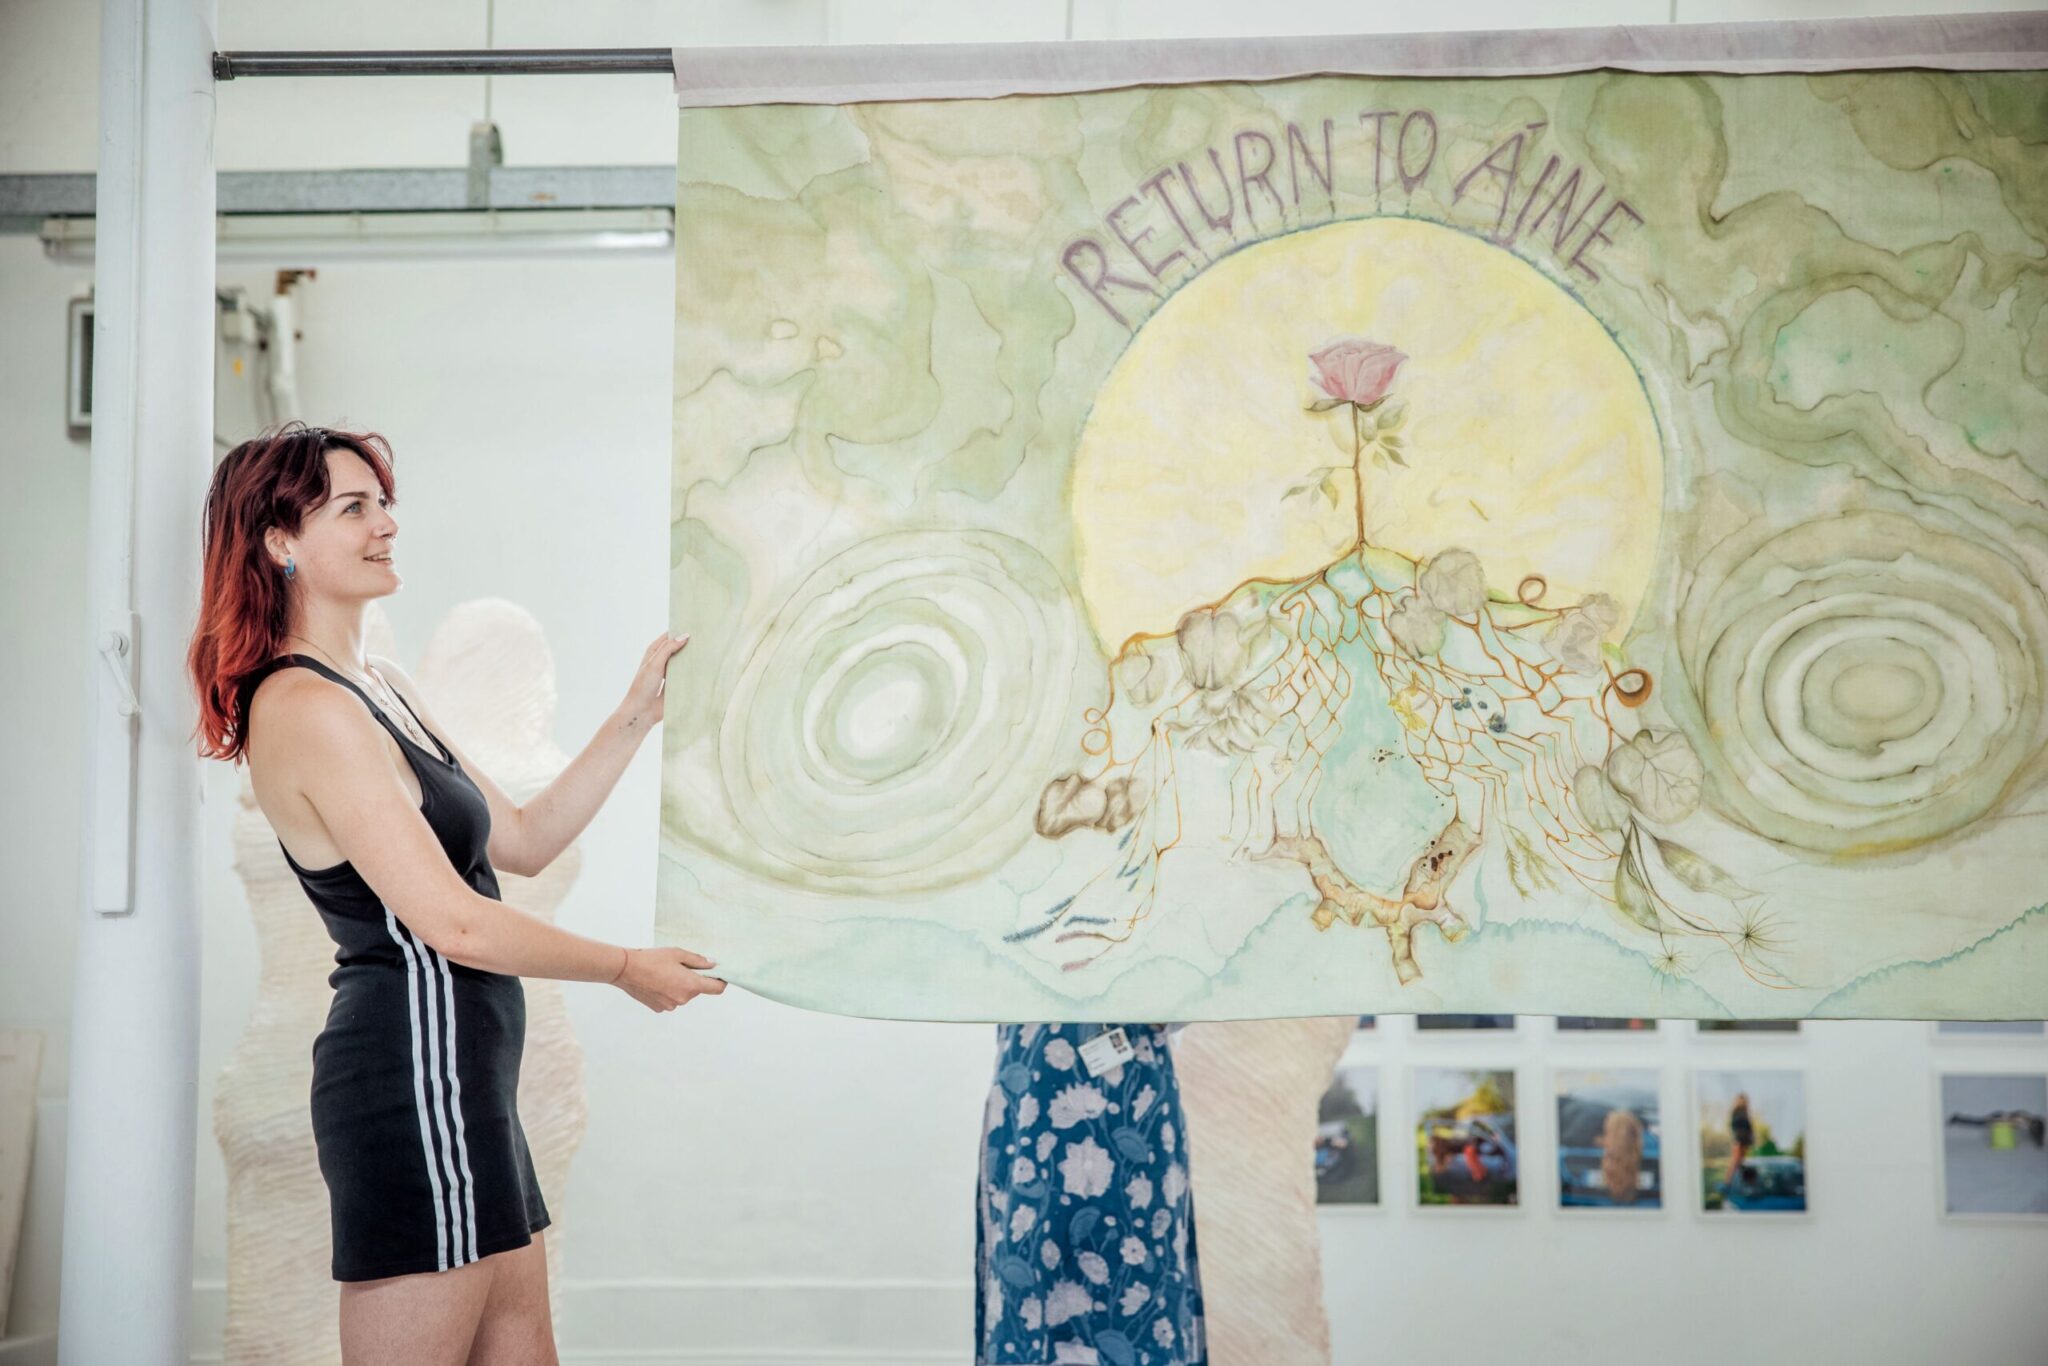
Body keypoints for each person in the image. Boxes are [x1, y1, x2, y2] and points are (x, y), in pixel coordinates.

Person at [187, 424, 724, 1365]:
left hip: (467, 1086)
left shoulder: (381, 686)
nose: (386, 524)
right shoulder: (305, 707)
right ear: (279, 541)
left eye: (384, 503)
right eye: (354, 508)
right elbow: (453, 923)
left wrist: (636, 714)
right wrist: (625, 968)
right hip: (412, 1084)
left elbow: (521, 839)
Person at [976, 1024, 1205, 1365]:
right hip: (1032, 1095)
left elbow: (1186, 1000)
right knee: (1030, 1266)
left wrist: (1164, 1007)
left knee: (1141, 1270)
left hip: (1132, 1094)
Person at [1725, 1092, 1755, 1189]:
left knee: (1741, 1162)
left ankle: (1743, 1183)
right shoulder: (1736, 1112)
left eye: (1743, 1100)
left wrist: (1751, 1140)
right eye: (1740, 1100)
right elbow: (1734, 1127)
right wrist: (1737, 1140)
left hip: (1745, 1141)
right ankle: (1727, 1184)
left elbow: (1749, 1129)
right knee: (1735, 1162)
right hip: (1739, 1140)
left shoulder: (1745, 1113)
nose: (1742, 1102)